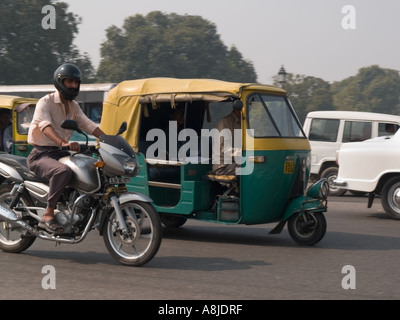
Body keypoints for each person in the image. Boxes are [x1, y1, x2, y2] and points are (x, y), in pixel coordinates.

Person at [27, 63, 105, 233]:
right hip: (41, 154)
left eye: (76, 82)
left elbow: (88, 125)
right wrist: (62, 142)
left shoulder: (74, 106)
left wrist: (108, 138)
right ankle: (48, 213)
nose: (73, 86)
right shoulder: (45, 102)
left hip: (60, 153)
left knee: (91, 166)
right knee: (62, 171)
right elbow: (45, 126)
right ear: (60, 82)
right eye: (70, 82)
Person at [212, 101, 242, 176]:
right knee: (250, 168)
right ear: (238, 109)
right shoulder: (225, 122)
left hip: (235, 163)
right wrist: (243, 152)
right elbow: (223, 148)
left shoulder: (242, 123)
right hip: (223, 166)